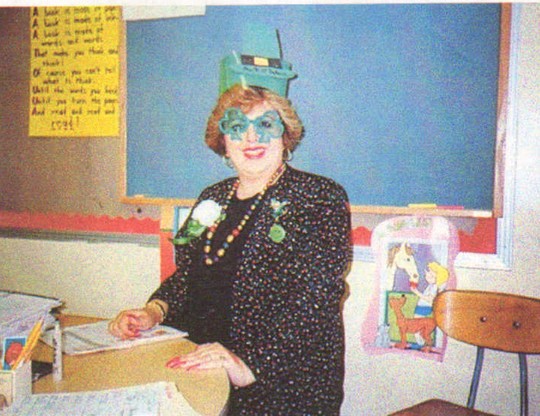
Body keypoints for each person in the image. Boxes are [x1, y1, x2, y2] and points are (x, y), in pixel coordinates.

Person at [109, 84, 352, 415]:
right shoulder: (210, 198)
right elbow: (188, 275)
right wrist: (154, 311)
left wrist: (248, 365)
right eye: (237, 126)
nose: (251, 138)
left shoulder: (320, 197)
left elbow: (317, 298)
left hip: (281, 384)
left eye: (265, 125)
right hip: (205, 366)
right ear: (223, 141)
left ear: (285, 136)